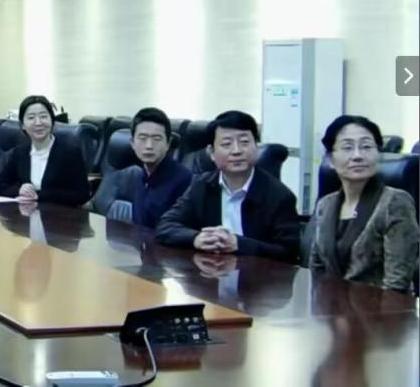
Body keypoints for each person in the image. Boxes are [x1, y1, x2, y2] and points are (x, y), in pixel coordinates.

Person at [156, 110, 302, 262]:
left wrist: (239, 244)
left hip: (257, 274)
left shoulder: (279, 196)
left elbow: (289, 252)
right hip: (210, 271)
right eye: (226, 144)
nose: (236, 151)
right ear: (211, 152)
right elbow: (165, 226)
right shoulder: (201, 185)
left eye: (244, 142)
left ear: (256, 147)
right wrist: (196, 238)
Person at [308, 115, 418, 292]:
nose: (357, 156)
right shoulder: (325, 205)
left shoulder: (395, 202)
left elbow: (397, 282)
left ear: (378, 154)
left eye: (366, 147)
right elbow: (316, 270)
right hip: (330, 305)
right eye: (347, 147)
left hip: (380, 306)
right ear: (330, 160)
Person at [86, 107, 192, 227]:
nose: (149, 146)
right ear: (132, 143)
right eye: (142, 138)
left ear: (168, 144)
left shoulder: (184, 181)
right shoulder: (138, 176)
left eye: (156, 139)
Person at [0, 95, 90, 207]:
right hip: (27, 214)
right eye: (31, 118)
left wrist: (39, 195)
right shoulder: (20, 152)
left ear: (52, 120)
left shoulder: (70, 153)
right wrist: (19, 190)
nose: (38, 123)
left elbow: (82, 195)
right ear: (22, 125)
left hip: (60, 216)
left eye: (43, 116)